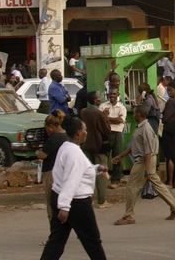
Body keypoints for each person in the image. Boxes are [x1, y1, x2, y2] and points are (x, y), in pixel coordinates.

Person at [40, 116, 108, 260]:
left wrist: (96, 169)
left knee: (56, 242)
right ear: (78, 133)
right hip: (76, 203)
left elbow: (78, 170)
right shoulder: (74, 152)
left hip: (60, 197)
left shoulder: (66, 147)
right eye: (84, 130)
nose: (86, 133)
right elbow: (71, 180)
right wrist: (65, 206)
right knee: (92, 241)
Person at [113, 105, 175, 226]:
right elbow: (133, 147)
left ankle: (129, 215)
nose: (133, 115)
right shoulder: (140, 127)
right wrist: (120, 156)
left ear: (139, 114)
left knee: (131, 187)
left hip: (144, 161)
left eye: (134, 113)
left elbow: (148, 151)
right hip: (145, 160)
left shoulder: (145, 128)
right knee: (158, 185)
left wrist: (147, 169)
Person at [36, 110, 68, 227]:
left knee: (51, 204)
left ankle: (54, 231)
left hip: (50, 173)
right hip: (62, 173)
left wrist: (37, 152)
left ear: (51, 126)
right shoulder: (66, 136)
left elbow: (43, 155)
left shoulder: (54, 139)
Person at [80, 91, 112, 204]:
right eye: (99, 97)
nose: (101, 99)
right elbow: (106, 130)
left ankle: (88, 199)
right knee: (101, 173)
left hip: (85, 145)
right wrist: (106, 117)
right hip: (99, 146)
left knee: (88, 173)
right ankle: (102, 200)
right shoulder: (98, 114)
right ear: (95, 100)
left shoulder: (83, 112)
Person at [100, 88, 127, 189]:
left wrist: (106, 118)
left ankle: (115, 180)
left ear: (118, 95)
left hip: (117, 134)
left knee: (117, 157)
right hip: (106, 134)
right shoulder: (103, 106)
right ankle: (103, 180)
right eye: (110, 94)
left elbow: (120, 120)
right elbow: (100, 120)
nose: (112, 95)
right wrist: (110, 119)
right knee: (103, 157)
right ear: (107, 94)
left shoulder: (122, 107)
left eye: (114, 94)